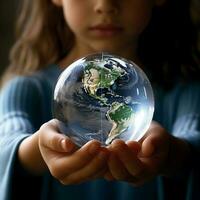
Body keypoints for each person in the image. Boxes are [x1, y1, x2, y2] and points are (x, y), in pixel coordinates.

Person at [0, 0, 199, 200]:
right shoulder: (25, 89)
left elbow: (193, 142)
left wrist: (171, 153)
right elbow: (5, 147)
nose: (105, 5)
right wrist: (38, 148)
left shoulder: (187, 91)